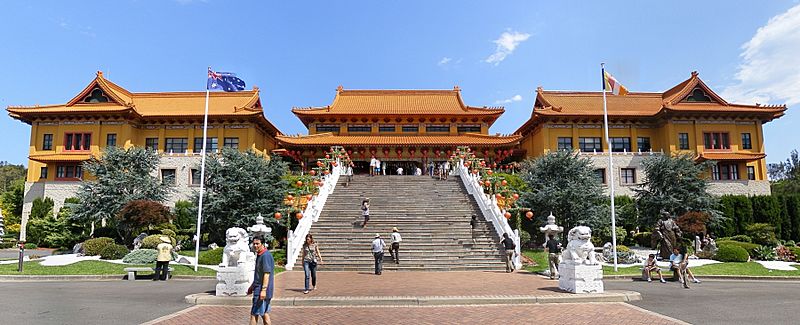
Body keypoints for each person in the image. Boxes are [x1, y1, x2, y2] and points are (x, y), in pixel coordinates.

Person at [247, 236, 274, 325]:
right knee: (264, 314)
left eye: (257, 243)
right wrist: (252, 286)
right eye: (254, 243)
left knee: (254, 314)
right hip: (260, 288)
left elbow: (266, 274)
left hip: (261, 291)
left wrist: (263, 290)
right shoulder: (260, 254)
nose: (255, 245)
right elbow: (259, 275)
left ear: (262, 244)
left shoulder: (265, 256)